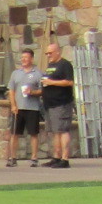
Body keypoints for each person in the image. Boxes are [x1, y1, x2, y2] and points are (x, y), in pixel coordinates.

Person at [6, 49, 45, 167]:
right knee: (14, 133)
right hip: (18, 108)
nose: (23, 59)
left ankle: (34, 158)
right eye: (22, 57)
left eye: (26, 57)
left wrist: (32, 92)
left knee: (33, 133)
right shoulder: (15, 73)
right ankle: (13, 157)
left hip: (32, 108)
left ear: (31, 59)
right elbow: (11, 90)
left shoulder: (38, 74)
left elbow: (42, 91)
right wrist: (13, 105)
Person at [40, 41, 76, 169]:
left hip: (62, 103)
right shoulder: (51, 65)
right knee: (55, 132)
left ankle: (65, 159)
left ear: (57, 52)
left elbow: (69, 82)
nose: (48, 55)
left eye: (50, 53)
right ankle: (56, 157)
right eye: (47, 53)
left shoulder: (65, 64)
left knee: (62, 130)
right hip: (50, 104)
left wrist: (51, 82)